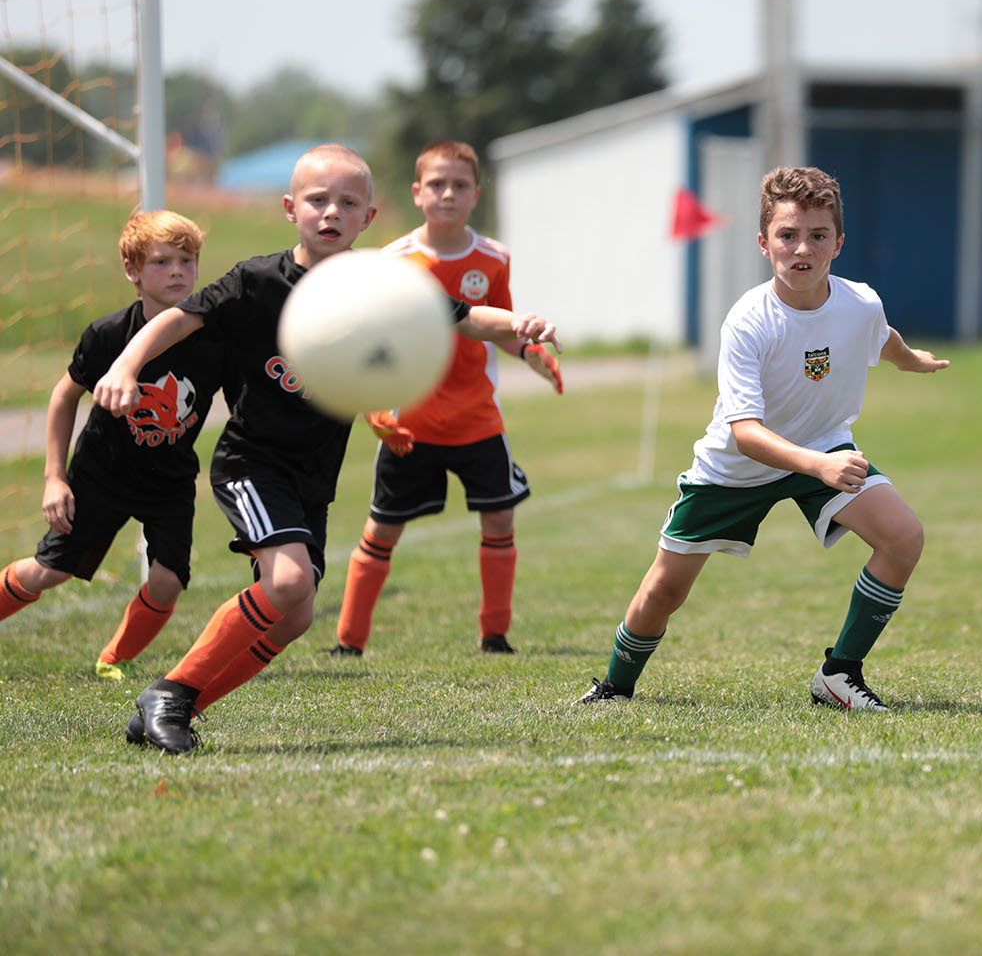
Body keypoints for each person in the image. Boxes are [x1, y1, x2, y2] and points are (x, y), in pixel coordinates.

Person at [92, 144, 560, 754]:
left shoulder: (381, 286)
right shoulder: (255, 281)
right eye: (317, 200)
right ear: (291, 208)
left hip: (313, 476)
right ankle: (171, 695)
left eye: (347, 202)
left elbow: (467, 317)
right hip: (251, 465)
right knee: (287, 584)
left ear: (369, 218)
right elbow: (176, 320)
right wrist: (126, 365)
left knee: (297, 614)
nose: (330, 212)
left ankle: (175, 705)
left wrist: (518, 324)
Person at [573, 166, 948, 711]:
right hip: (736, 468)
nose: (803, 249)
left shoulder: (860, 302)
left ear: (838, 244)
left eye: (818, 236)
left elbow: (879, 334)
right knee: (665, 591)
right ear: (763, 243)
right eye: (788, 235)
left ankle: (839, 674)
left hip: (823, 444)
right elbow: (745, 433)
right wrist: (818, 468)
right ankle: (614, 686)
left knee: (903, 537)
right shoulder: (748, 321)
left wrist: (909, 359)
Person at [327, 141, 562, 659]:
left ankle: (495, 634)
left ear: (476, 194)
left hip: (477, 418)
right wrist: (377, 407)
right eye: (437, 184)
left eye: (459, 185)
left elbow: (499, 327)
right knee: (382, 527)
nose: (448, 193)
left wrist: (532, 355)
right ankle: (349, 641)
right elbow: (373, 343)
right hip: (410, 421)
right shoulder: (392, 260)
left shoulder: (494, 258)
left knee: (500, 519)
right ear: (417, 193)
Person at [0, 209, 230, 679]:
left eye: (187, 261)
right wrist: (54, 478)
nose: (177, 272)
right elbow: (64, 397)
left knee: (166, 582)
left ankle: (112, 660)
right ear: (132, 271)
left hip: (169, 481)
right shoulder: (106, 335)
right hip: (99, 475)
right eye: (162, 262)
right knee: (49, 572)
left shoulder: (216, 340)